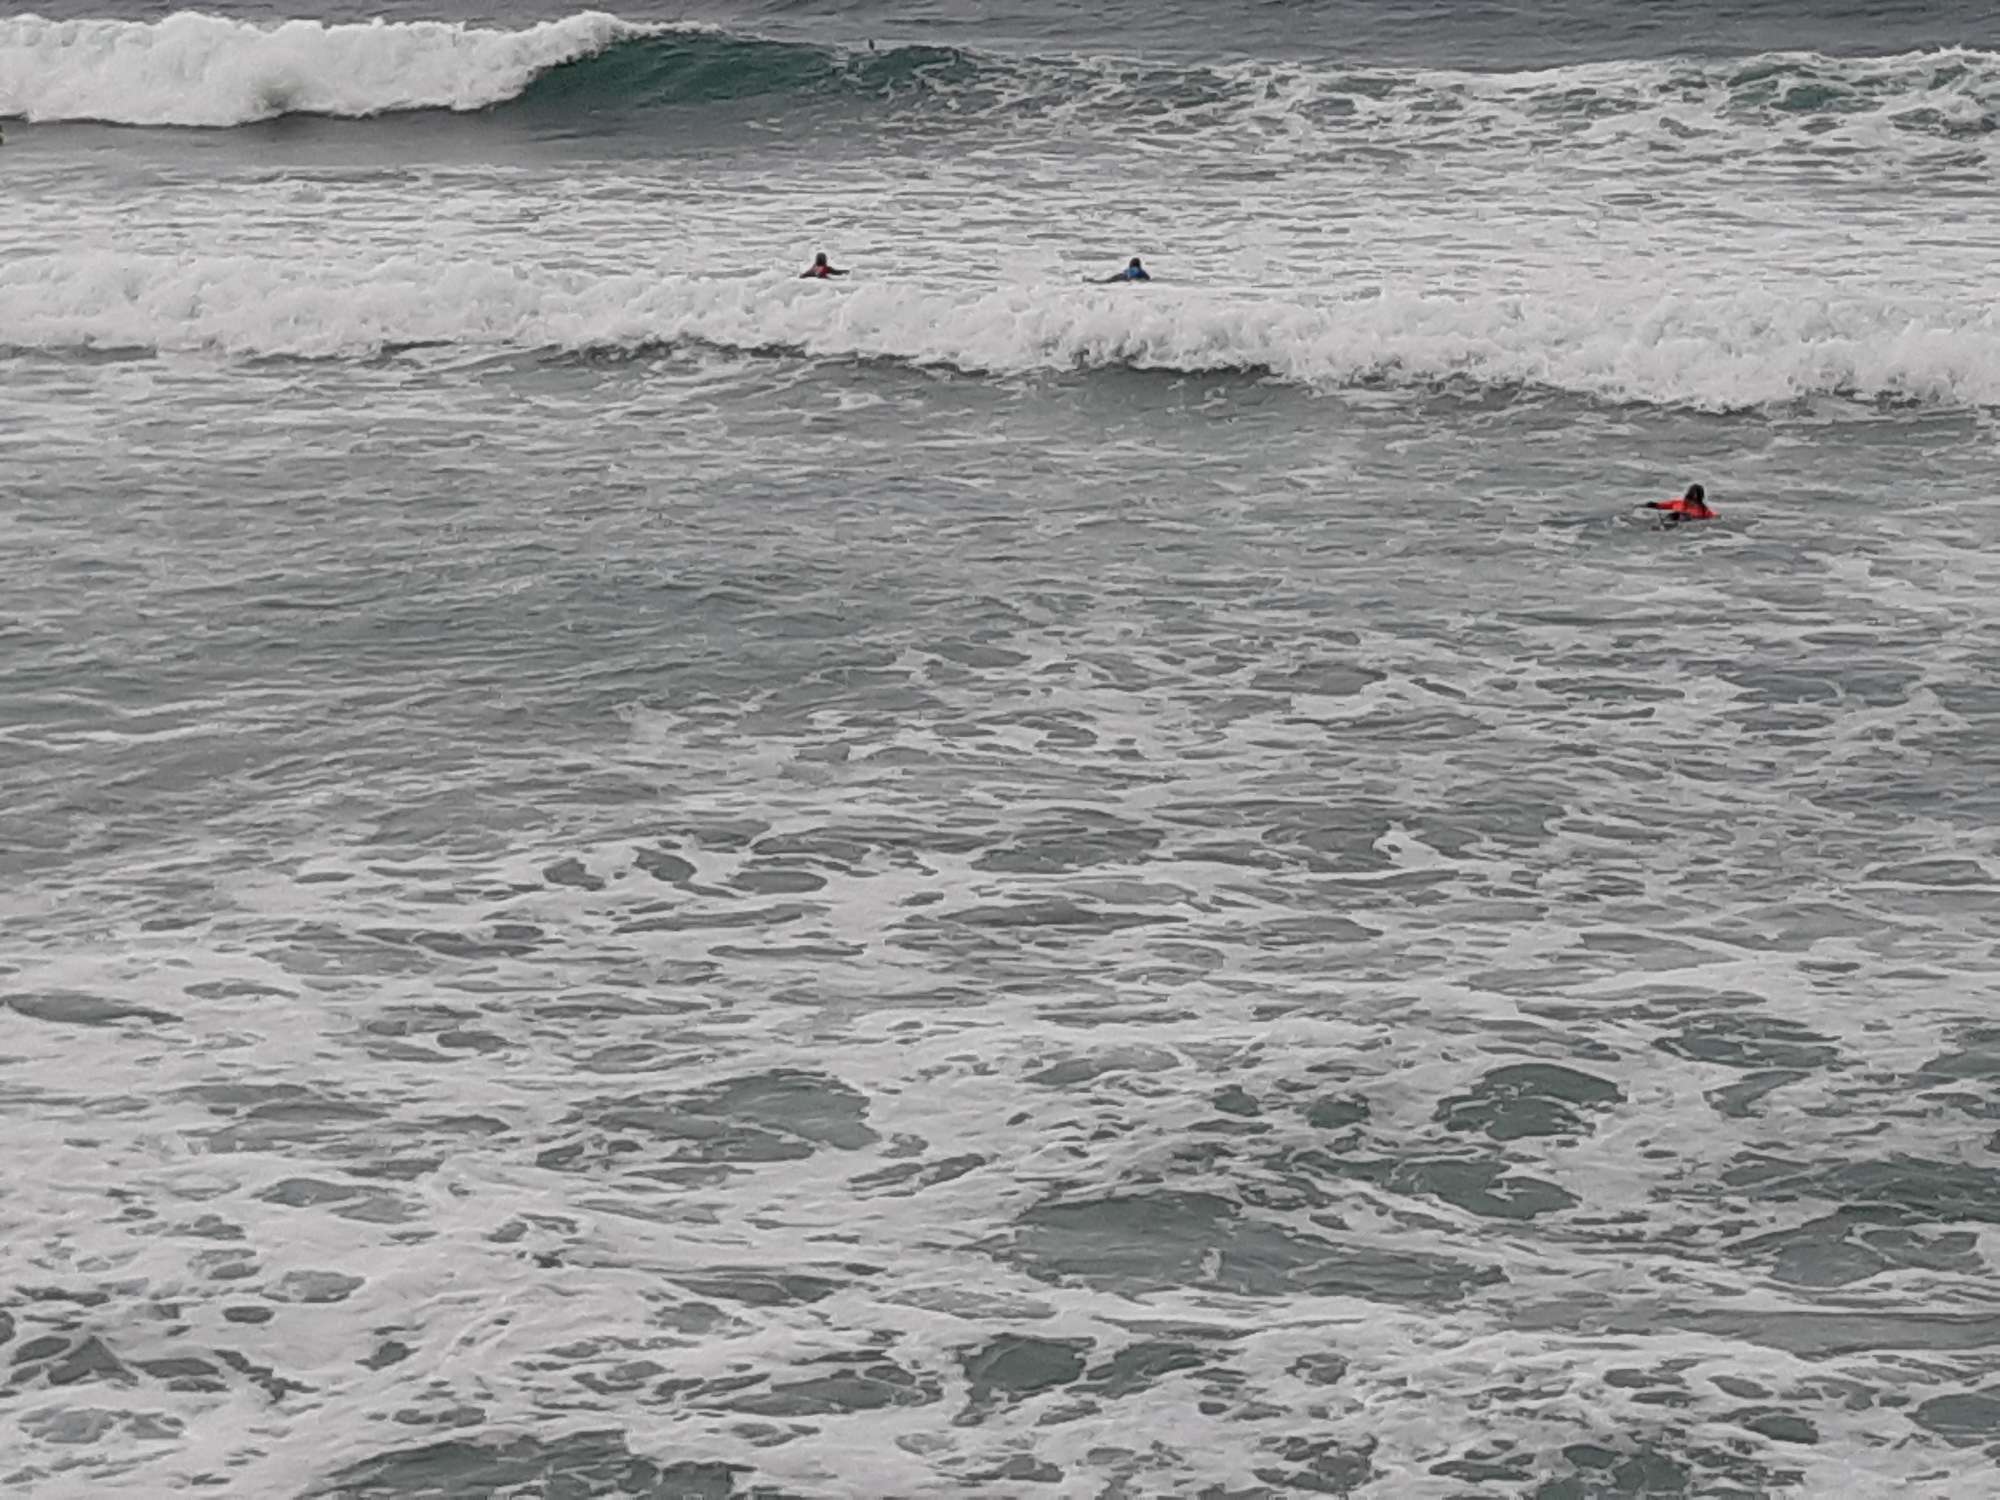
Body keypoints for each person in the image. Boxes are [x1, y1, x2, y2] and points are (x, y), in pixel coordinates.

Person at [1645, 483, 1715, 523]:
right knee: (1676, 514)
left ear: (1699, 501)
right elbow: (1661, 505)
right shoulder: (1677, 503)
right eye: (1690, 498)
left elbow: (1714, 518)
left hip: (1689, 523)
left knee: (1681, 515)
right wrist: (1653, 504)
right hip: (1674, 520)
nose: (1692, 503)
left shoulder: (1705, 511)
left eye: (1695, 501)